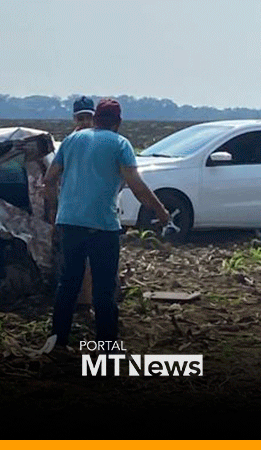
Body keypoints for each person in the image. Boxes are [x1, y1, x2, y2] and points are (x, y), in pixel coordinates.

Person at [44, 98, 169, 346]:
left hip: (70, 223)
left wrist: (55, 210)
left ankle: (58, 340)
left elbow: (49, 180)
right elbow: (136, 185)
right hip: (103, 226)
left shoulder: (71, 140)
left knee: (68, 283)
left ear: (95, 119)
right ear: (118, 122)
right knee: (103, 288)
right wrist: (160, 210)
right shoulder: (120, 144)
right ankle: (106, 346)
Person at [70, 96, 96, 311]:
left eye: (89, 117)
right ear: (74, 119)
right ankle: (82, 302)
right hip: (74, 210)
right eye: (81, 117)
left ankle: (90, 300)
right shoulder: (71, 142)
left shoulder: (101, 140)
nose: (85, 122)